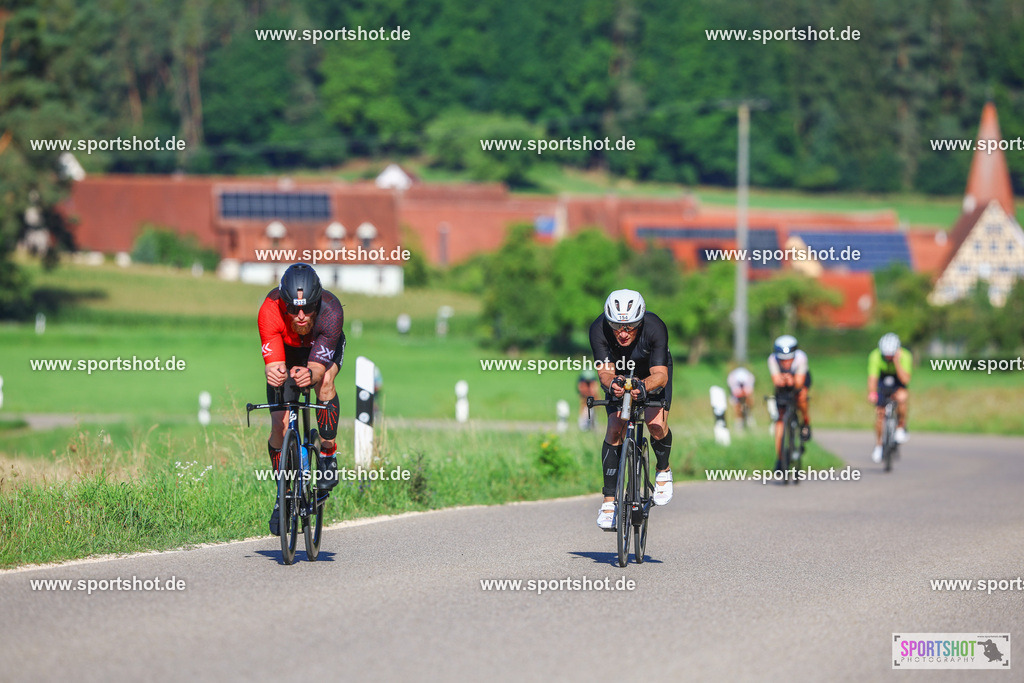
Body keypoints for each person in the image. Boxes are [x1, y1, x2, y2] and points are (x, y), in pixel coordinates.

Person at [258, 263, 346, 535]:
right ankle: (282, 493)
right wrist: (274, 373)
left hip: (319, 350)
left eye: (307, 308)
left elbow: (318, 369)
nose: (300, 316)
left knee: (325, 383)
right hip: (287, 350)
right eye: (293, 308)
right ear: (283, 302)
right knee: (279, 425)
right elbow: (272, 364)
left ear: (317, 302)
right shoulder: (270, 310)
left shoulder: (331, 311)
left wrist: (311, 373)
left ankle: (328, 453)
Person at [590, 289, 674, 529]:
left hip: (651, 372)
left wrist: (644, 386)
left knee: (656, 423)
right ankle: (608, 503)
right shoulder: (598, 329)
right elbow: (605, 372)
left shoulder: (655, 327)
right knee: (615, 427)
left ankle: (663, 470)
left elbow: (660, 375)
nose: (623, 333)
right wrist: (613, 384)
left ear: (641, 321)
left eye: (630, 326)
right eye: (616, 326)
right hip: (618, 372)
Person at [767, 335, 812, 475]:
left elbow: (798, 383)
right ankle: (781, 458)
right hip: (783, 386)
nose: (786, 363)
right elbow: (777, 381)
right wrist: (784, 380)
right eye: (782, 360)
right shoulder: (772, 360)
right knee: (780, 420)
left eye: (788, 359)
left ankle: (805, 422)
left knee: (802, 396)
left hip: (800, 379)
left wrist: (790, 380)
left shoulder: (801, 358)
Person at [867, 332, 912, 463]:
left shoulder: (905, 356)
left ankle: (900, 426)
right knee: (880, 414)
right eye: (885, 355)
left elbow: (905, 379)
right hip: (882, 381)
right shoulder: (875, 356)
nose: (887, 357)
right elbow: (872, 378)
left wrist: (896, 361)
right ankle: (879, 445)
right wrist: (872, 393)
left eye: (890, 355)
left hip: (898, 380)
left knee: (902, 398)